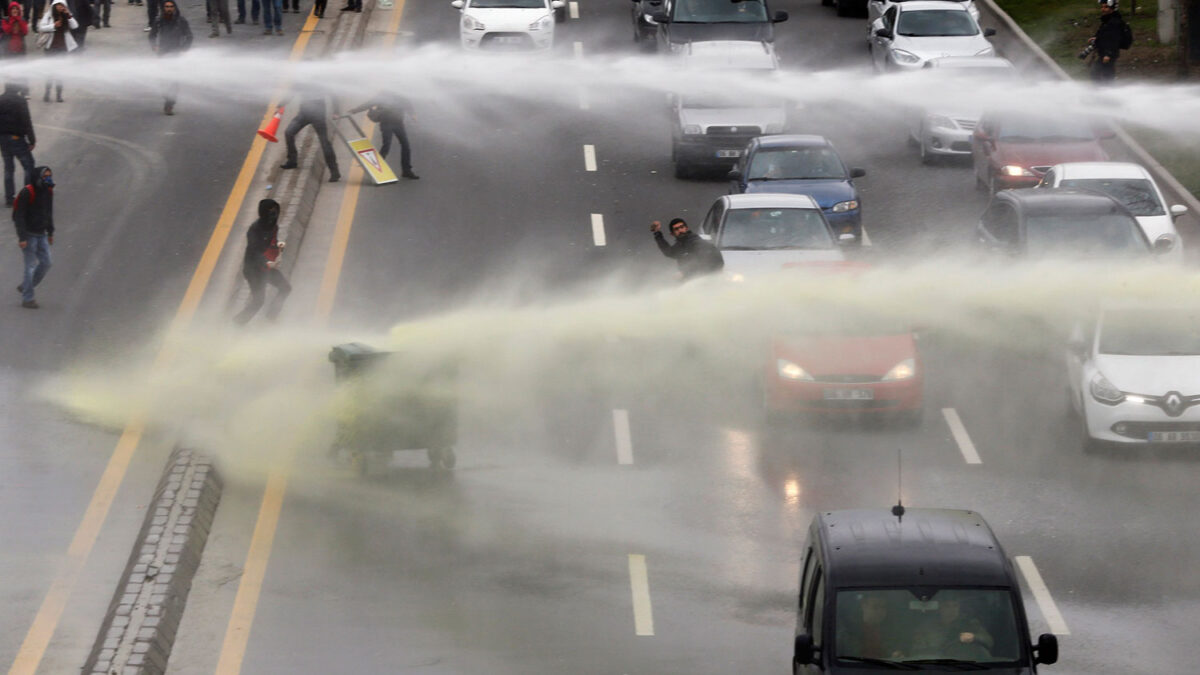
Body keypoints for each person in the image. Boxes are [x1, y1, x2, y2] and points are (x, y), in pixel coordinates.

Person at [234, 198, 292, 324]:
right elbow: (254, 251)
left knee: (285, 288)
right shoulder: (255, 229)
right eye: (271, 212)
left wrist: (278, 246)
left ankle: (271, 317)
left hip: (266, 268)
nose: (274, 214)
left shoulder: (273, 226)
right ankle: (238, 322)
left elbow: (272, 243)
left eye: (276, 211)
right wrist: (266, 262)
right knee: (258, 301)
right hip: (253, 271)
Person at [345, 93, 418, 179]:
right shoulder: (382, 96)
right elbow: (369, 104)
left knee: (405, 146)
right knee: (386, 145)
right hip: (386, 123)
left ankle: (406, 170)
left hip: (398, 124)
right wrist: (354, 110)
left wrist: (412, 114)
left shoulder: (400, 95)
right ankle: (376, 168)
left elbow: (408, 105)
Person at [13, 165, 54, 309]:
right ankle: (28, 298)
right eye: (45, 176)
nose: (48, 179)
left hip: (41, 234)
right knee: (30, 267)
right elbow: (19, 216)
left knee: (47, 263)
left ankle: (26, 286)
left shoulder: (48, 191)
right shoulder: (27, 192)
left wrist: (50, 232)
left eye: (49, 176)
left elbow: (49, 212)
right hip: (29, 236)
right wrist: (22, 237)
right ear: (38, 177)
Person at [280, 85, 340, 182]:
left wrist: (336, 112)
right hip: (303, 114)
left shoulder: (320, 81)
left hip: (318, 116)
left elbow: (333, 95)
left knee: (325, 143)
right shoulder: (301, 80)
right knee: (289, 133)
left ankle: (334, 171)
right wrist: (280, 105)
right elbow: (290, 94)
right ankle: (292, 161)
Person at [909, 592, 995, 659]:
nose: (952, 610)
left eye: (955, 606)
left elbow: (989, 641)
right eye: (947, 606)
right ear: (940, 608)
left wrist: (974, 637)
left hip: (964, 666)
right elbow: (916, 652)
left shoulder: (970, 624)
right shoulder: (926, 628)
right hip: (934, 666)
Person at [148, 0, 191, 115]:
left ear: (175, 8)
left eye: (171, 6)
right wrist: (154, 47)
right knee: (163, 79)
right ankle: (167, 97)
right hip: (162, 53)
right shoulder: (159, 21)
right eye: (167, 7)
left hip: (176, 53)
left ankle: (170, 104)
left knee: (174, 80)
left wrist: (184, 49)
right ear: (163, 8)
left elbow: (189, 36)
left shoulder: (181, 21)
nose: (169, 9)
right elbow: (152, 35)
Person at [837, 594, 906, 661]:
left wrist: (896, 656)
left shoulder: (893, 631)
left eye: (883, 607)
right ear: (863, 606)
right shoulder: (848, 631)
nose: (880, 611)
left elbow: (896, 652)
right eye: (875, 607)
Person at [651, 217, 724, 280]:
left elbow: (706, 258)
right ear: (672, 234)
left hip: (704, 279)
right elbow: (670, 252)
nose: (680, 230)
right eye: (676, 229)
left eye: (682, 227)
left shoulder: (694, 241)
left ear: (687, 228)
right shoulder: (681, 244)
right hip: (692, 279)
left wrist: (685, 273)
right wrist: (657, 233)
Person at [0, 82, 36, 206]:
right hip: (17, 138)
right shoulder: (20, 101)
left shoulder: (0, 99)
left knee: (8, 168)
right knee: (28, 165)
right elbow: (27, 121)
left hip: (3, 139)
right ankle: (27, 196)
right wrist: (32, 140)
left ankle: (9, 198)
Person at [37, 0, 76, 102]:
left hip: (62, 48)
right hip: (51, 48)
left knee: (60, 73)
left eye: (62, 5)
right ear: (54, 5)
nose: (60, 7)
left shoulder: (66, 15)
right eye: (58, 5)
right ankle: (47, 93)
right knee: (49, 72)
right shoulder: (49, 15)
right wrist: (53, 25)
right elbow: (41, 27)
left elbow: (75, 26)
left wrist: (68, 15)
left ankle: (59, 95)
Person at [1088, 0, 1126, 84]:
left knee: (1104, 73)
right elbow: (1104, 34)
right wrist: (1096, 38)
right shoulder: (1107, 21)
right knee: (1096, 72)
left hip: (1108, 54)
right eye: (1102, 7)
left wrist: (1108, 54)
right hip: (1103, 53)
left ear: (1112, 8)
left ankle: (1106, 91)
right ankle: (1101, 91)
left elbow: (1114, 39)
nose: (1103, 9)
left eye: (1106, 7)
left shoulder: (1114, 22)